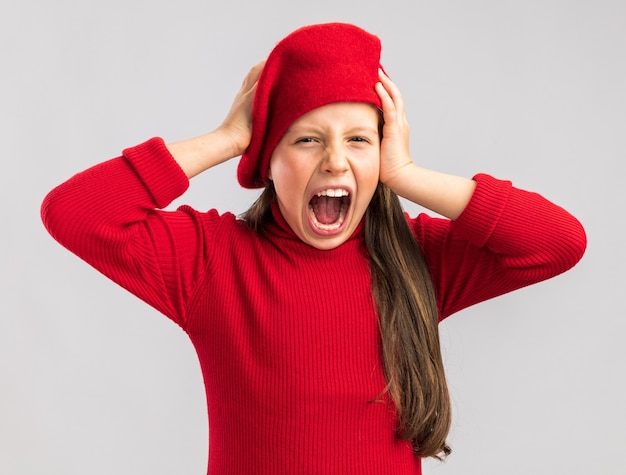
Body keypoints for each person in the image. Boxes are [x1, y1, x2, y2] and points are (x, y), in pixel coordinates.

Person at [41, 22, 586, 475]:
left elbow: (558, 242)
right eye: (306, 138)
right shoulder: (211, 259)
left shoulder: (417, 258)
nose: (335, 160)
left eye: (358, 139)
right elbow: (74, 213)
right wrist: (228, 139)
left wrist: (406, 173)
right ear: (267, 162)